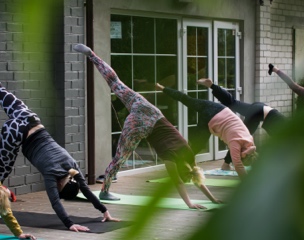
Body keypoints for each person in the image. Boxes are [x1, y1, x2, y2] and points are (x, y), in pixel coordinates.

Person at [74, 43, 222, 209]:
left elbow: (195, 177)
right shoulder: (171, 160)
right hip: (140, 126)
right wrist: (190, 204)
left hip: (150, 111)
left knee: (116, 83)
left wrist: (213, 199)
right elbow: (180, 183)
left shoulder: (189, 156)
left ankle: (92, 55)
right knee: (120, 158)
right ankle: (105, 190)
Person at [0, 83, 119, 233]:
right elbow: (55, 202)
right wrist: (70, 224)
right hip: (16, 133)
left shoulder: (72, 167)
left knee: (2, 92)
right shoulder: (51, 174)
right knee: (2, 173)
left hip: (30, 119)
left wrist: (105, 211)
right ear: (61, 187)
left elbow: (86, 190)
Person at [155, 83, 258, 179]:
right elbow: (238, 165)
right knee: (197, 145)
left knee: (187, 99)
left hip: (218, 108)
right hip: (211, 118)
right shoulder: (236, 142)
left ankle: (163, 88)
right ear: (243, 156)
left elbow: (249, 153)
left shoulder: (249, 140)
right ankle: (180, 165)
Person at [196, 78, 287, 170]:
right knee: (239, 137)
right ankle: (226, 164)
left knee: (233, 103)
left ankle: (212, 85)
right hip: (258, 113)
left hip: (260, 108)